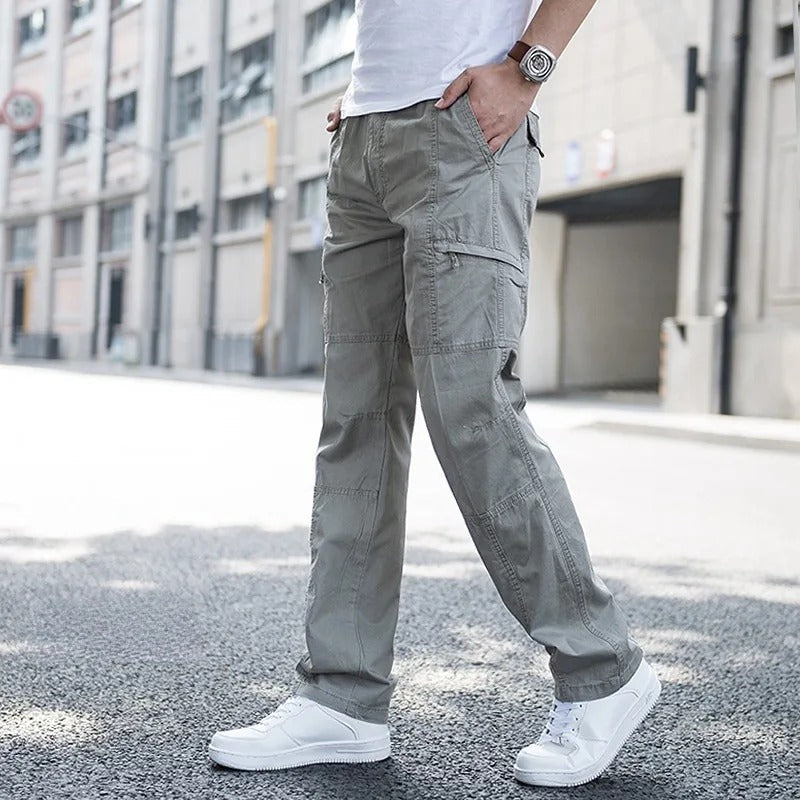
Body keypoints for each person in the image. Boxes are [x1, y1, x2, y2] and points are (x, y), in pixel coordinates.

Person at [209, 0, 661, 787]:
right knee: (356, 422)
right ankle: (343, 698)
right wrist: (369, 100)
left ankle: (601, 670)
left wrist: (527, 68)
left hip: (464, 132)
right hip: (363, 138)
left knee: (472, 408)